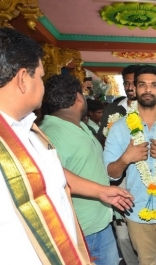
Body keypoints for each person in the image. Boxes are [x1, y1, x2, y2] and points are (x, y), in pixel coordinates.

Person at [0, 27, 133, 265]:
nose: (42, 85)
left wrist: (100, 191)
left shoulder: (26, 129)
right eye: (40, 77)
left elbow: (49, 171)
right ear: (22, 79)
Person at [104, 65, 156, 265]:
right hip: (137, 210)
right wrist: (126, 158)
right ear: (134, 87)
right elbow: (111, 173)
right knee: (146, 262)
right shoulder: (120, 128)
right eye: (142, 85)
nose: (148, 90)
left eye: (153, 85)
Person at [40, 74, 119, 265]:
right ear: (78, 97)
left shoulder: (78, 125)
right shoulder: (51, 133)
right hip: (81, 230)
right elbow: (52, 178)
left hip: (100, 223)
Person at [98, 65, 141, 265]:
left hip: (146, 177)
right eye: (126, 83)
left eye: (134, 82)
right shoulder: (113, 109)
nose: (130, 87)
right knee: (123, 235)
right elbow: (102, 140)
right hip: (119, 175)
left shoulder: (154, 110)